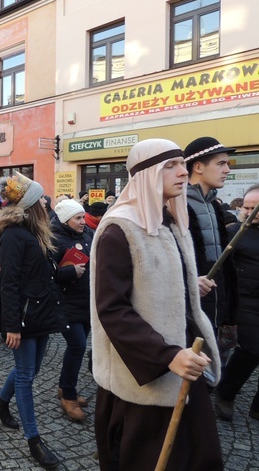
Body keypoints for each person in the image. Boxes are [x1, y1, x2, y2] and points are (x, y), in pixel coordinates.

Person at [91, 139, 222, 470]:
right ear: (147, 174)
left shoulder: (169, 220)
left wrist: (188, 286)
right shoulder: (120, 230)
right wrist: (169, 356)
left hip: (183, 367)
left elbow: (151, 278)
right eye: (171, 165)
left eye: (182, 163)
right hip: (146, 381)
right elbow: (113, 309)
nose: (182, 172)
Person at [0, 171, 66, 470]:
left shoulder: (35, 232)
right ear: (32, 205)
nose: (47, 203)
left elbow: (42, 274)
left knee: (30, 371)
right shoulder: (13, 235)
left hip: (41, 312)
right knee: (25, 376)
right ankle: (34, 441)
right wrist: (11, 326)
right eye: (42, 200)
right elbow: (8, 284)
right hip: (22, 317)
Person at [183, 136, 238, 363]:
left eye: (227, 164)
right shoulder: (177, 204)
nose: (226, 169)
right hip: (189, 307)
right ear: (198, 167)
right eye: (220, 163)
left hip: (214, 302)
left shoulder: (214, 205)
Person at [213, 184, 259, 421]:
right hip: (244, 300)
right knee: (251, 348)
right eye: (247, 207)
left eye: (255, 208)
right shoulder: (235, 232)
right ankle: (225, 393)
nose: (249, 212)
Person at [51, 199, 93, 422]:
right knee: (77, 345)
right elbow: (47, 274)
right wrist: (69, 272)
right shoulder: (55, 239)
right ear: (66, 220)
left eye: (83, 217)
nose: (82, 222)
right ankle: (68, 396)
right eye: (78, 218)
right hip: (65, 303)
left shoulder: (87, 236)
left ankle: (65, 387)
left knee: (77, 346)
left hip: (85, 302)